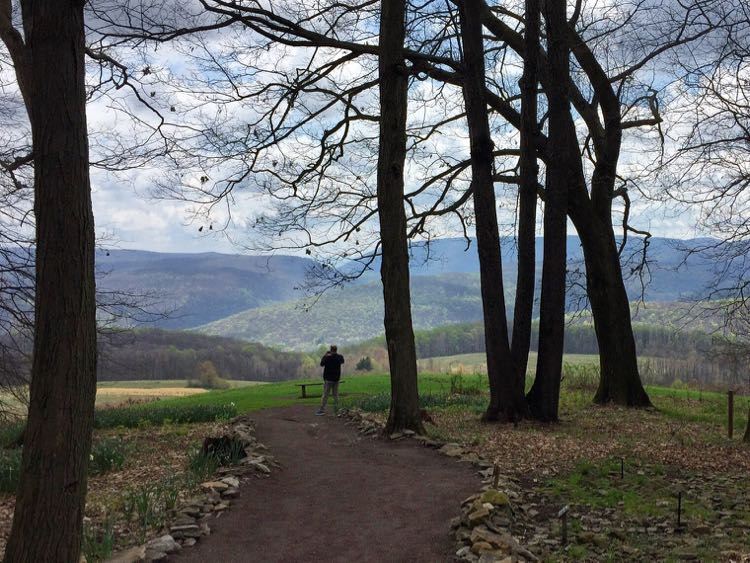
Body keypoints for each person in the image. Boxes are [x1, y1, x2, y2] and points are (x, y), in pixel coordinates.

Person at [316, 345, 344, 415]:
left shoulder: (327, 358)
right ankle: (338, 409)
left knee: (325, 395)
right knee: (335, 395)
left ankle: (322, 409)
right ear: (336, 350)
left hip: (328, 379)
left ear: (331, 350)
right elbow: (342, 361)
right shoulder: (339, 357)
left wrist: (325, 355)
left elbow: (321, 364)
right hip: (336, 379)